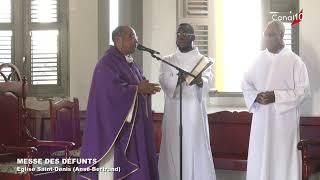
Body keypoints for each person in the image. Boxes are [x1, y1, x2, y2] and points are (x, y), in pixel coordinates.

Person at [78, 26, 161, 180]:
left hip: (131, 127)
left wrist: (144, 89)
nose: (136, 41)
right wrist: (137, 89)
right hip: (114, 132)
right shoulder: (107, 63)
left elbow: (136, 87)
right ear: (118, 40)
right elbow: (110, 93)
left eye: (135, 37)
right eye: (131, 37)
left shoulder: (130, 63)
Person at [242, 20, 310, 180]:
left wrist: (276, 97)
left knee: (282, 162)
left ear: (282, 36)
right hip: (261, 122)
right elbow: (245, 83)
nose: (267, 38)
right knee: (260, 160)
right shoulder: (256, 59)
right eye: (265, 34)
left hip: (284, 123)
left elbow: (303, 91)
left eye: (271, 35)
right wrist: (255, 96)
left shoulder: (295, 61)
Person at [158, 23, 216, 180]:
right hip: (173, 114)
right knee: (174, 149)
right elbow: (163, 81)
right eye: (178, 33)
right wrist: (178, 79)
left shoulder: (203, 61)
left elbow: (208, 80)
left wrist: (199, 81)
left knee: (195, 148)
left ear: (193, 38)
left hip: (194, 115)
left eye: (185, 33)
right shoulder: (167, 60)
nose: (181, 36)